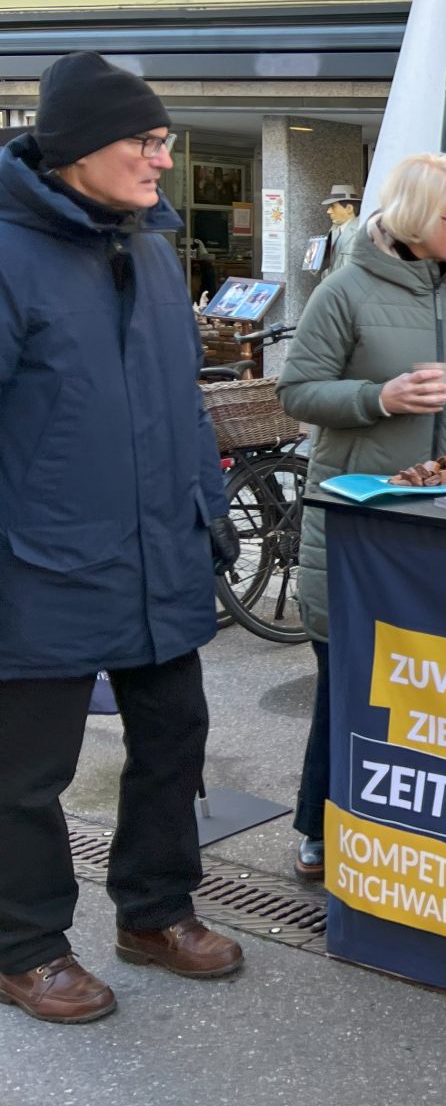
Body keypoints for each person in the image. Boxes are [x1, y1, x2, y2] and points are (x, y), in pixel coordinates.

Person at [0, 51, 246, 1025]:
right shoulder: (9, 252)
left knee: (176, 735)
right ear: (77, 151)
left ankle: (154, 912)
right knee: (26, 775)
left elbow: (180, 401)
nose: (162, 159)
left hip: (157, 551)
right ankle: (25, 947)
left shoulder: (144, 245)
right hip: (37, 568)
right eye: (145, 142)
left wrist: (208, 510)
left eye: (164, 140)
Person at [276, 154, 446, 883]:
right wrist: (377, 399)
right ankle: (317, 827)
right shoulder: (345, 290)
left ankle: (415, 835)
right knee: (346, 679)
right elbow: (297, 390)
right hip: (358, 531)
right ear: (415, 217)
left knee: (435, 688)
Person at [316, 184, 362, 277]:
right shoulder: (333, 231)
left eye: (333, 206)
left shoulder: (361, 233)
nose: (328, 211)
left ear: (349, 208)